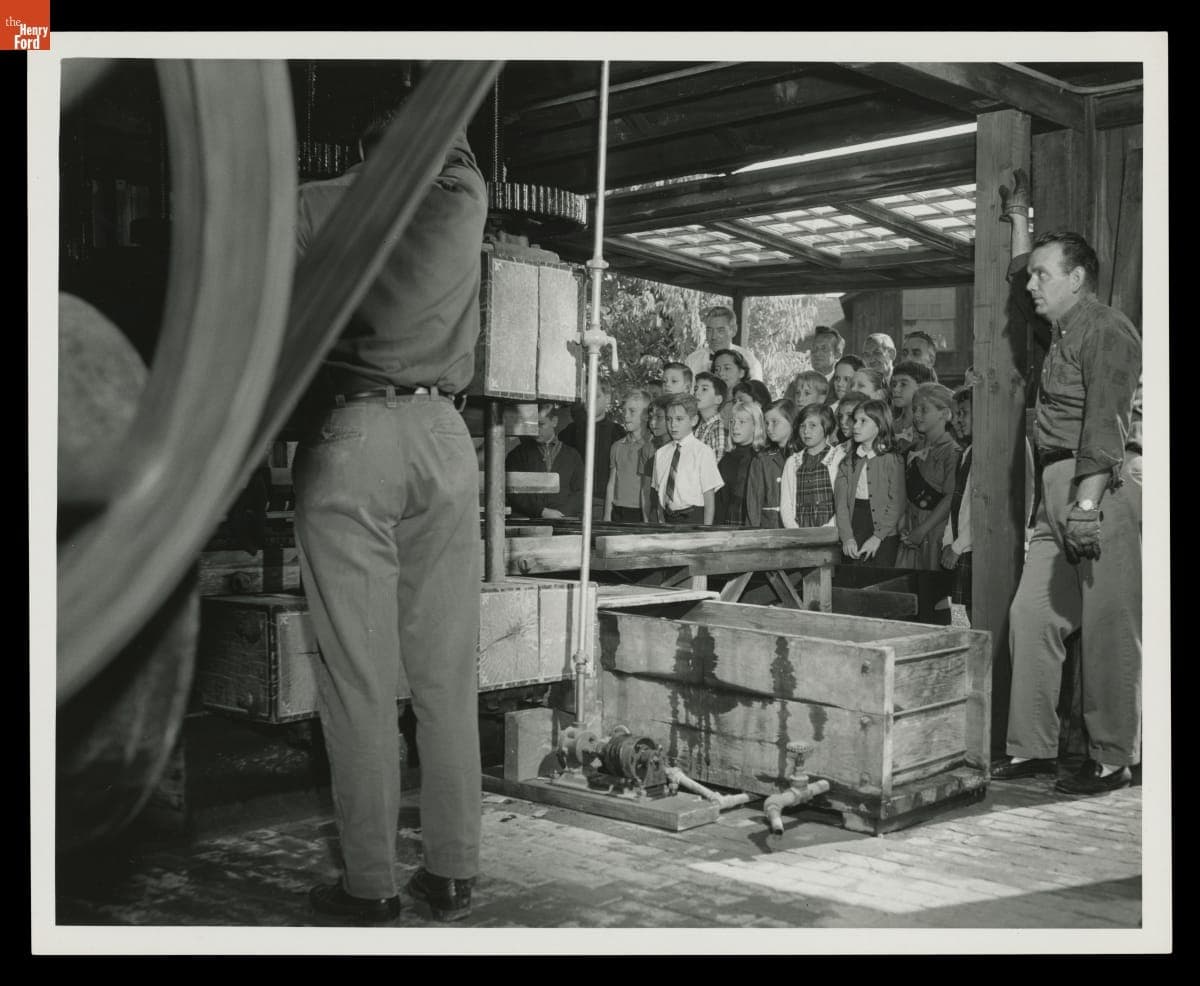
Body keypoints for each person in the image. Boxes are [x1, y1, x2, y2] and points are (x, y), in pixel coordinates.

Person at [293, 101, 487, 923]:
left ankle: (370, 887)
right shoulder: (466, 198)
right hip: (446, 436)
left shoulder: (324, 203)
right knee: (447, 672)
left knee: (360, 681)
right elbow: (457, 154)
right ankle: (452, 871)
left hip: (354, 432)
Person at [990, 215, 1142, 796]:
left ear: (1077, 278)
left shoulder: (1106, 329)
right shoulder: (1058, 330)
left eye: (1044, 276)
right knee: (1033, 616)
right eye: (1033, 276)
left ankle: (1111, 759)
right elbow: (1014, 271)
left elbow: (1107, 420)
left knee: (1108, 626)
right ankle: (1031, 751)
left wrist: (1084, 505)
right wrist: (1019, 216)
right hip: (1054, 493)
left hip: (1097, 488)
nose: (1031, 285)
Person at [896, 382, 961, 624]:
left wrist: (922, 530)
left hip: (934, 530)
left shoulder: (952, 451)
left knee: (934, 595)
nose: (917, 415)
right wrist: (904, 522)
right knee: (911, 596)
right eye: (915, 409)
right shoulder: (912, 450)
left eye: (924, 409)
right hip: (911, 529)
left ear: (945, 414)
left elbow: (950, 496)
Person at [834, 399, 905, 567]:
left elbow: (898, 503)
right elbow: (841, 505)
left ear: (879, 425)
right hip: (855, 525)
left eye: (863, 421)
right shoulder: (847, 461)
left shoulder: (893, 460)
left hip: (885, 531)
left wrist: (877, 537)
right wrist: (847, 538)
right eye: (855, 421)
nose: (856, 426)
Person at [651, 393, 723, 525]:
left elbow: (709, 500)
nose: (673, 425)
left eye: (679, 419)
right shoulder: (661, 453)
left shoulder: (703, 452)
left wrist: (706, 532)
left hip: (693, 519)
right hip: (667, 519)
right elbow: (659, 493)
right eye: (669, 419)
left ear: (693, 420)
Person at [506, 403, 586, 520]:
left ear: (554, 421)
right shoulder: (517, 455)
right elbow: (512, 492)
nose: (536, 430)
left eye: (541, 424)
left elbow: (580, 492)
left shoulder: (573, 455)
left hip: (564, 520)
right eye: (533, 425)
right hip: (528, 521)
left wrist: (562, 514)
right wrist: (541, 511)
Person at [558, 377, 622, 518]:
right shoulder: (568, 433)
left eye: (595, 396)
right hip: (571, 505)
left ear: (607, 398)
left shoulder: (618, 434)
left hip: (602, 504)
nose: (589, 401)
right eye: (585, 396)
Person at [780, 402, 845, 529]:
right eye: (802, 426)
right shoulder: (792, 462)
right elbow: (786, 504)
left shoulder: (839, 458)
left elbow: (843, 502)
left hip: (832, 531)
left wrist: (829, 528)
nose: (806, 431)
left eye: (813, 426)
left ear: (826, 428)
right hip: (800, 533)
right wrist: (795, 530)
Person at [941, 386, 975, 624]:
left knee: (976, 614)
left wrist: (960, 544)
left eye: (963, 413)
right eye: (956, 414)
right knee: (958, 617)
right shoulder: (968, 452)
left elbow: (985, 511)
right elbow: (959, 502)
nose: (957, 421)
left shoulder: (994, 451)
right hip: (959, 549)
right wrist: (949, 542)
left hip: (973, 549)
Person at [604, 389, 654, 524]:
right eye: (624, 411)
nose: (626, 416)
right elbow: (612, 483)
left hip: (640, 511)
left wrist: (647, 519)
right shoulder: (617, 446)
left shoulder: (652, 446)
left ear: (646, 416)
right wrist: (607, 516)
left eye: (632, 411)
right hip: (618, 511)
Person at [745, 398, 796, 528]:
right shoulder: (762, 459)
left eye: (775, 422)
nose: (769, 428)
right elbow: (754, 504)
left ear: (791, 421)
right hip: (771, 528)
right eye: (766, 423)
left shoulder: (803, 456)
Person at [714, 401, 763, 525]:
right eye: (732, 422)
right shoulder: (726, 460)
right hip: (728, 521)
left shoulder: (762, 458)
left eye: (742, 422)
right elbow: (719, 501)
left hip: (754, 520)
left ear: (755, 426)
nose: (735, 427)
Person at [684, 305, 764, 382]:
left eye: (720, 330)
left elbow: (756, 394)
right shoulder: (692, 361)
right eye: (709, 330)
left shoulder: (749, 361)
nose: (714, 337)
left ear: (733, 330)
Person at [888, 360, 935, 453]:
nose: (895, 389)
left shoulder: (930, 427)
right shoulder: (889, 426)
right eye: (894, 384)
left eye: (903, 384)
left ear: (920, 386)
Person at [692, 371, 729, 462]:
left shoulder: (718, 429)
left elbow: (717, 466)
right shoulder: (698, 427)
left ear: (718, 399)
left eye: (704, 389)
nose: (697, 393)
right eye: (696, 389)